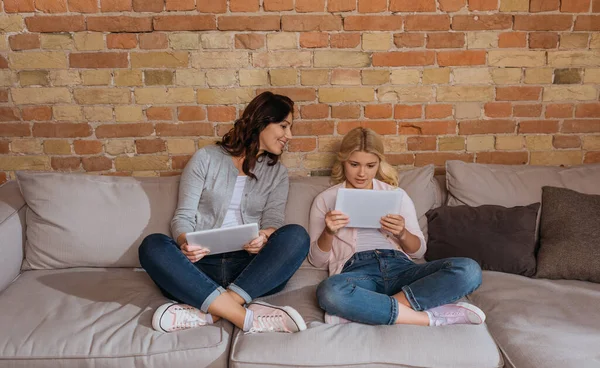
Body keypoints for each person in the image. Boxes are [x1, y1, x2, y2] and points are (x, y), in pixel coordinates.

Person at [139, 92, 309, 334]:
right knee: (152, 245)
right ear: (262, 121)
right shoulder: (206, 158)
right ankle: (245, 316)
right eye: (284, 126)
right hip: (199, 267)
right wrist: (186, 243)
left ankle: (211, 311)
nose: (288, 136)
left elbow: (273, 221)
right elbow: (183, 216)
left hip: (251, 268)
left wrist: (264, 236)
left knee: (297, 235)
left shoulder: (277, 173)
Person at [308, 127, 486, 327]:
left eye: (370, 165)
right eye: (354, 164)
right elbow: (317, 260)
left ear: (379, 164)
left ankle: (366, 309)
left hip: (400, 268)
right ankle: (424, 318)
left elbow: (419, 251)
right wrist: (328, 232)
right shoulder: (326, 199)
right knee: (330, 292)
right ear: (343, 161)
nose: (361, 173)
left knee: (469, 270)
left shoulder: (396, 194)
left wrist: (402, 233)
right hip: (357, 271)